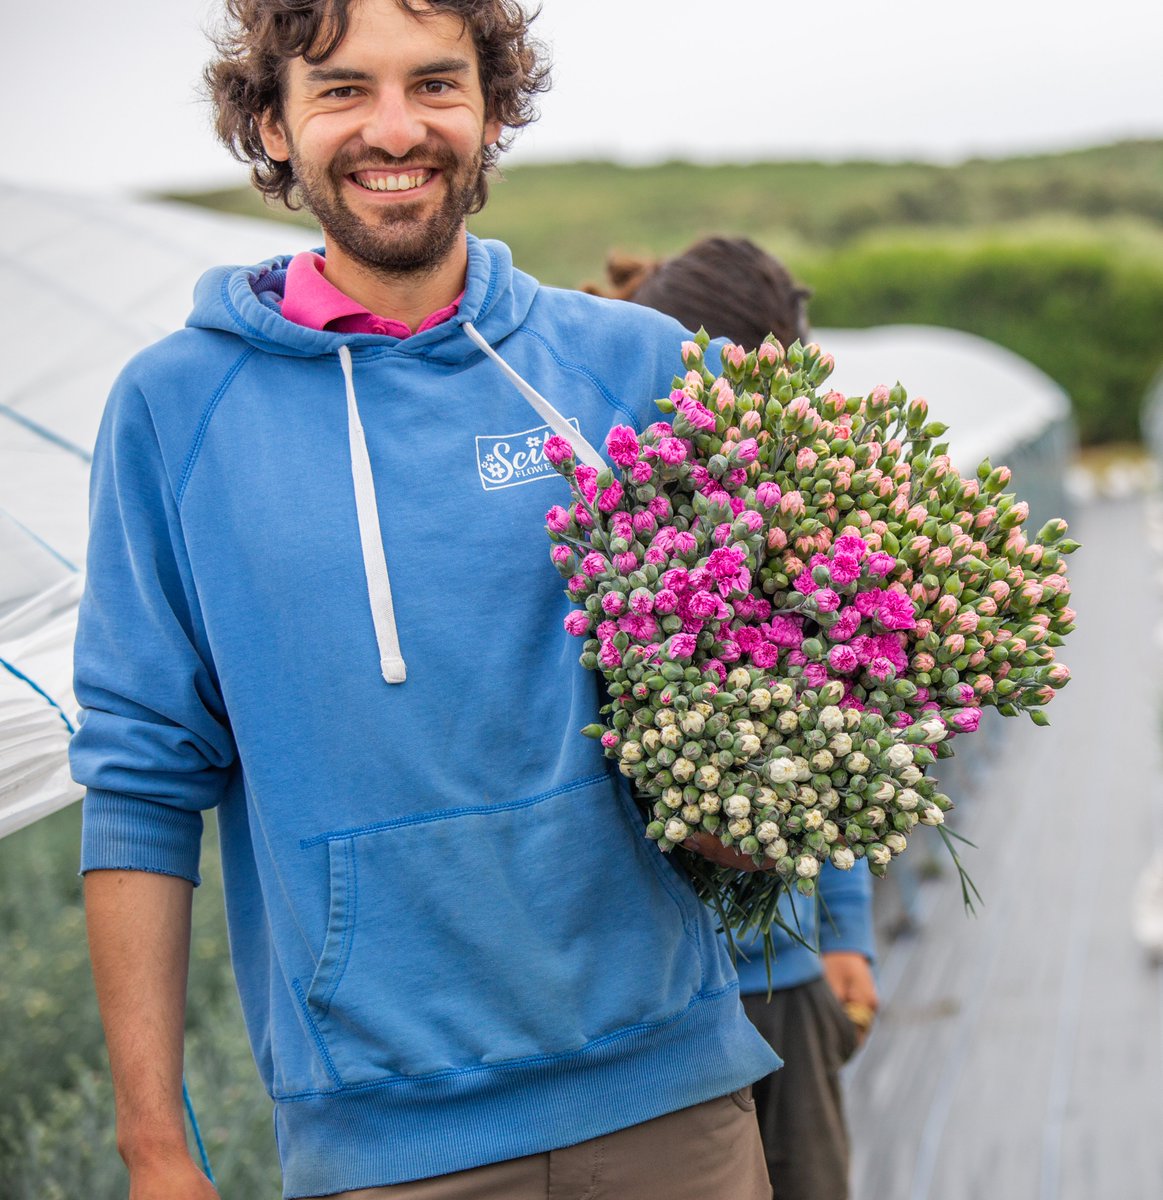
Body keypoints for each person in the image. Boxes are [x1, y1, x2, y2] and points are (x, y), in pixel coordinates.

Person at [70, 4, 781, 1199]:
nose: (393, 128)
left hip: (673, 1103)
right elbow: (140, 782)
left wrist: (752, 834)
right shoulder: (173, 410)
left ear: (494, 109)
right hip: (381, 1147)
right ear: (270, 122)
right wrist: (155, 1150)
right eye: (343, 90)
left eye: (434, 85)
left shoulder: (637, 368)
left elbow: (762, 688)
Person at [594, 237, 879, 1200]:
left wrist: (843, 932)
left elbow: (840, 745)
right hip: (643, 991)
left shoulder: (803, 507)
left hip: (778, 970)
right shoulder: (620, 503)